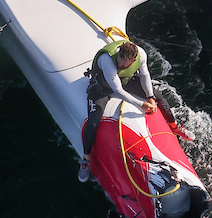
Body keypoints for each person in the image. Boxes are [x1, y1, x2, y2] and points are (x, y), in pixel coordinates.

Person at [80, 40, 187, 182]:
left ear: (134, 60)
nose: (120, 65)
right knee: (93, 123)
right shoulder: (107, 60)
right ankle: (86, 159)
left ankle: (175, 127)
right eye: (119, 61)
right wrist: (140, 104)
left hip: (126, 80)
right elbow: (117, 90)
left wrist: (150, 97)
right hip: (103, 88)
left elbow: (145, 75)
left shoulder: (141, 54)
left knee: (160, 98)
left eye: (125, 64)